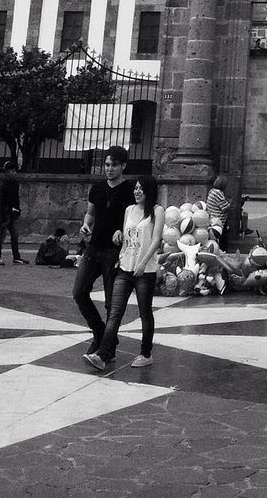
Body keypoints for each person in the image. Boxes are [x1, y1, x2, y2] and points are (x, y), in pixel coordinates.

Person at [85, 175, 165, 371]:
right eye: (135, 188)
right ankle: (103, 355)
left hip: (145, 270)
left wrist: (143, 263)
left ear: (149, 191)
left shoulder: (157, 211)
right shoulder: (129, 209)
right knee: (115, 313)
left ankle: (146, 353)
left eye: (141, 189)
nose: (137, 191)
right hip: (125, 266)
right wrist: (118, 234)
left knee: (145, 313)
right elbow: (126, 232)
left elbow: (156, 240)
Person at [72, 145, 136, 358]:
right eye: (107, 165)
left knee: (111, 302)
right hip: (94, 247)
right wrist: (85, 226)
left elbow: (135, 219)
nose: (109, 169)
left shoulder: (130, 190)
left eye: (114, 165)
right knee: (79, 292)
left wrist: (123, 231)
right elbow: (90, 214)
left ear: (123, 166)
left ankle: (108, 348)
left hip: (114, 251)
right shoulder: (97, 188)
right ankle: (99, 332)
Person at [0, 159, 28, 266]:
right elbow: (1, 202)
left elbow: (16, 199)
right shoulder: (4, 186)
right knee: (1, 236)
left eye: (15, 171)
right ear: (7, 173)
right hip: (5, 213)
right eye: (12, 171)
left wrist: (17, 210)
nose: (15, 173)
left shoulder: (15, 184)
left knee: (15, 235)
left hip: (12, 213)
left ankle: (16, 257)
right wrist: (3, 213)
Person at [205, 174, 231, 250]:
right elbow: (225, 207)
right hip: (218, 220)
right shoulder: (218, 193)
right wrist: (230, 202)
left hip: (213, 217)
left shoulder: (212, 191)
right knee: (222, 239)